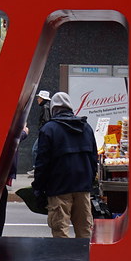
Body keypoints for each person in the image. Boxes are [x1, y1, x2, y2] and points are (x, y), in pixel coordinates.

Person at [32, 92, 98, 239]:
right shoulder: (86, 127)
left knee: (60, 232)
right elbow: (94, 158)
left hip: (58, 188)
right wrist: (90, 181)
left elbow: (42, 163)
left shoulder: (49, 129)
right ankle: (84, 260)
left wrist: (38, 188)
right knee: (85, 231)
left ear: (54, 109)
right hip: (82, 187)